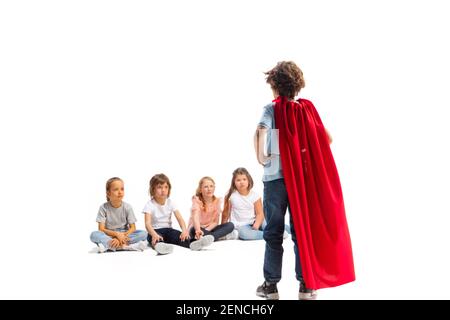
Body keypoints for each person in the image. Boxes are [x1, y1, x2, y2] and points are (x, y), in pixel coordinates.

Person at [254, 61, 355, 300]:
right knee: (301, 232)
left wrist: (263, 156)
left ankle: (270, 285)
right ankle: (306, 285)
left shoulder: (271, 109)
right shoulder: (306, 110)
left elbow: (261, 131)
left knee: (273, 233)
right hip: (300, 181)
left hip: (274, 179)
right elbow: (327, 139)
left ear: (275, 85)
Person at [143, 174, 214, 254]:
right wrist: (154, 234)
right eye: (159, 187)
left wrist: (184, 230)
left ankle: (193, 243)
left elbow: (180, 219)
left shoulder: (170, 202)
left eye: (166, 187)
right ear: (153, 189)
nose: (163, 190)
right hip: (155, 231)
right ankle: (160, 246)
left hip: (168, 230)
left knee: (181, 237)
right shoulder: (149, 205)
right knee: (154, 238)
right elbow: (147, 224)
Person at [222, 167, 290, 240]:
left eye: (244, 179)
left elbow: (260, 213)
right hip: (242, 226)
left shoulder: (254, 195)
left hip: (257, 221)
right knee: (243, 234)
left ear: (248, 180)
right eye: (238, 180)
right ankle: (273, 235)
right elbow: (225, 213)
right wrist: (223, 229)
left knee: (267, 224)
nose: (241, 182)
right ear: (234, 183)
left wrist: (256, 225)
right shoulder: (231, 196)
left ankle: (288, 229)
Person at [90, 177, 148, 253]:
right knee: (94, 235)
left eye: (122, 189)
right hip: (109, 234)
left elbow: (133, 228)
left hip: (125, 233)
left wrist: (121, 237)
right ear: (108, 193)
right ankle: (124, 245)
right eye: (116, 189)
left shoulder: (128, 207)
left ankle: (111, 245)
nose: (120, 192)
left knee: (143, 234)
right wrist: (116, 234)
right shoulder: (103, 207)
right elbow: (101, 229)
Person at [188, 176, 234, 241]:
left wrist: (206, 231)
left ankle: (208, 238)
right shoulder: (197, 201)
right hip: (197, 228)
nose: (209, 189)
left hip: (210, 229)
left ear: (214, 188)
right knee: (193, 230)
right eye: (206, 187)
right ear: (200, 190)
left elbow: (215, 222)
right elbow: (195, 217)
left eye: (211, 186)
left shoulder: (217, 201)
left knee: (230, 225)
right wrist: (198, 230)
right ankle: (216, 236)